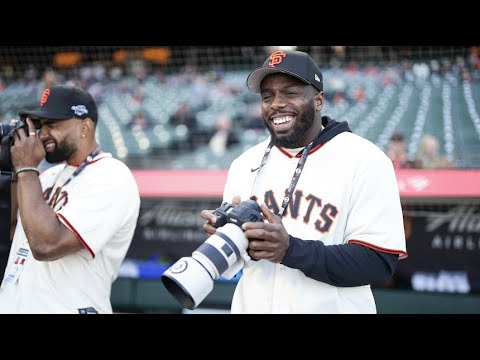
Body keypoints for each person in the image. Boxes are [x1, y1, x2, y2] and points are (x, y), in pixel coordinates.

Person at [201, 50, 407, 314]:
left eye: (290, 92)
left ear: (318, 100)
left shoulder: (366, 159)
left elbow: (379, 262)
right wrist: (224, 238)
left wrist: (290, 250)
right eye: (267, 97)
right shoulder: (243, 164)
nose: (275, 103)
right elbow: (236, 268)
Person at [0, 85, 140, 313]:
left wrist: (25, 168)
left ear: (85, 127)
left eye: (53, 125)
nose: (43, 134)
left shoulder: (112, 175)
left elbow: (46, 245)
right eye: (41, 126)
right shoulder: (46, 176)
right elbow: (11, 229)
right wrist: (12, 169)